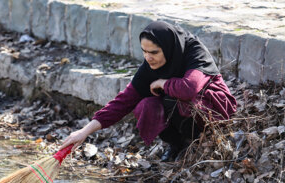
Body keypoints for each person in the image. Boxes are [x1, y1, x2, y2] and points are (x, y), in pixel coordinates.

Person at [60, 20, 237, 161]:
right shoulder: (150, 66)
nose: (148, 58)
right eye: (144, 51)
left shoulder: (194, 51)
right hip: (182, 109)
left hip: (211, 108)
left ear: (167, 48)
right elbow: (122, 102)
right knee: (145, 106)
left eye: (154, 52)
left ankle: (198, 139)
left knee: (172, 98)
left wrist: (163, 82)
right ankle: (177, 144)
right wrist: (84, 132)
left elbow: (188, 89)